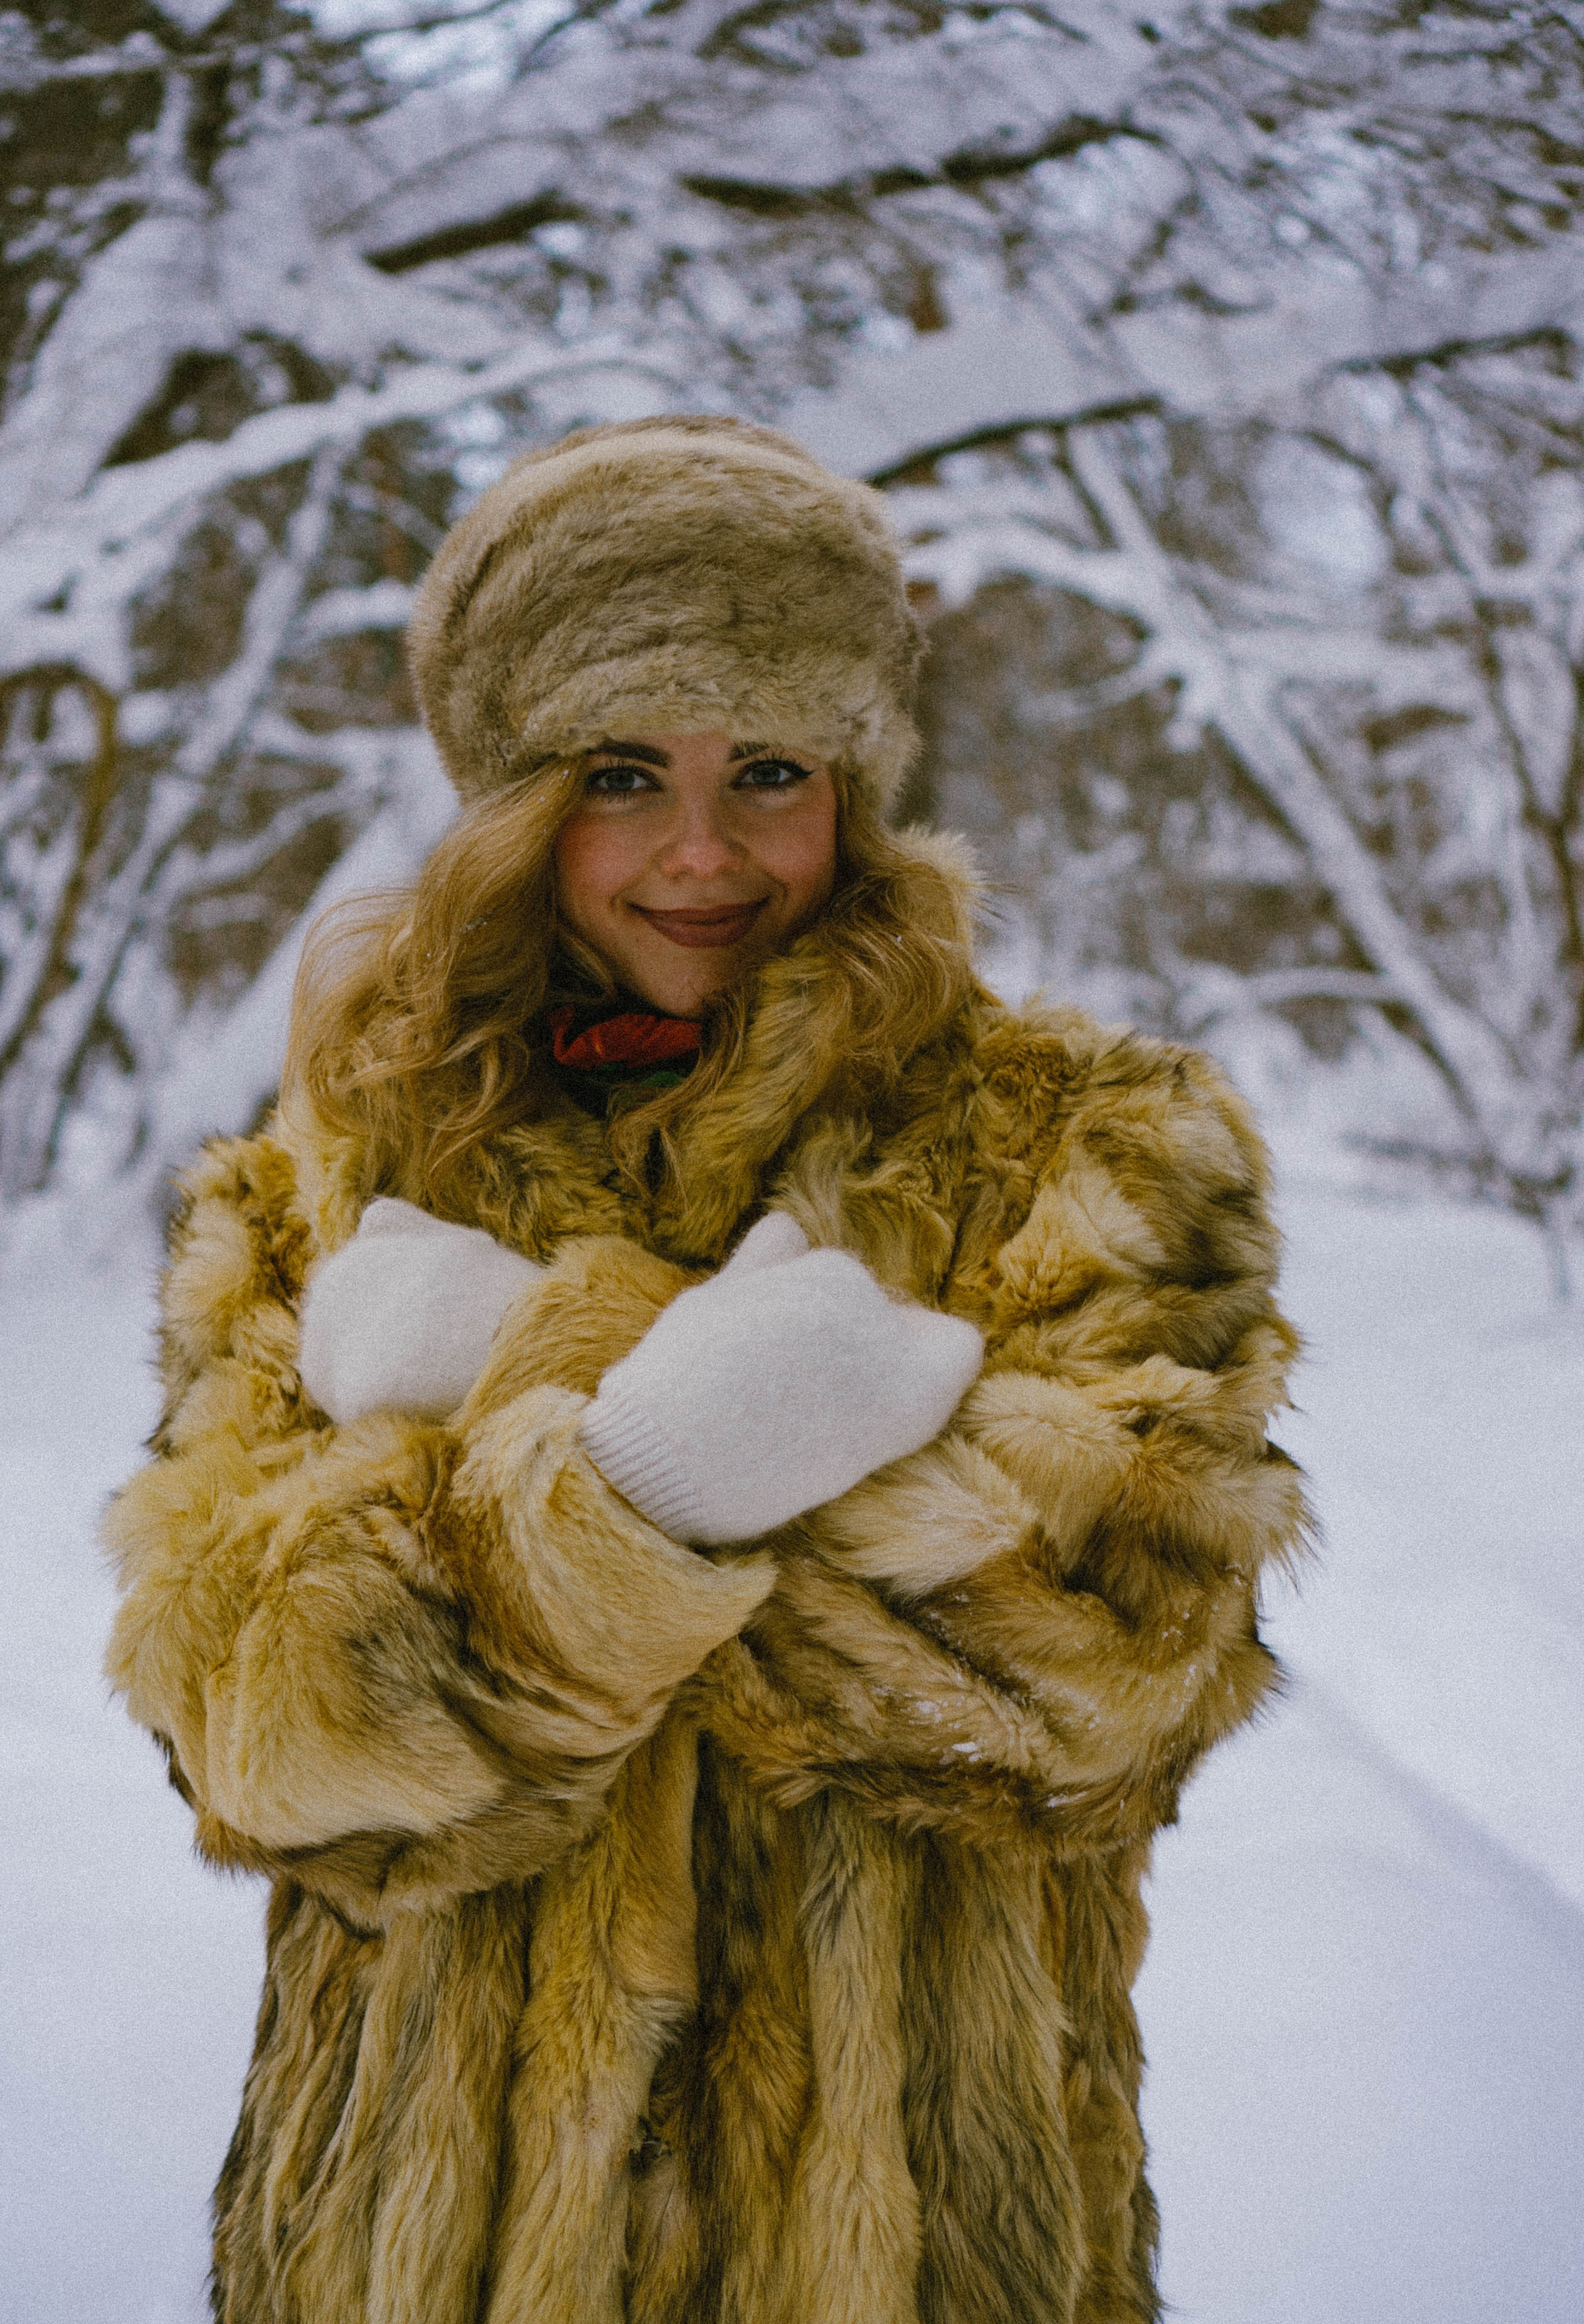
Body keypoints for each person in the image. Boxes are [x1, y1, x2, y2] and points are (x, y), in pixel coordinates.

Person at [103, 416, 1306, 2324]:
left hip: (909, 2251)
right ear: (514, 796)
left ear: (857, 782)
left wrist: (515, 1403)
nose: (700, 850)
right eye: (617, 773)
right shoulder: (327, 1184)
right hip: (418, 2258)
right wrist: (652, 1464)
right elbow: (248, 1732)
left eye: (767, 769)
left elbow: (1114, 1673)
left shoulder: (1080, 1144)